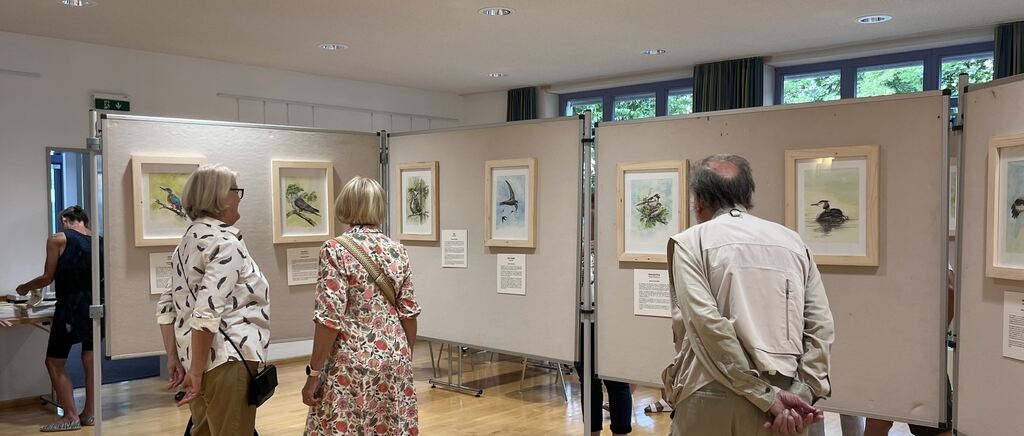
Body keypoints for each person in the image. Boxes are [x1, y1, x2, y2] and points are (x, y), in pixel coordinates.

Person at [663, 154, 834, 435]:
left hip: (712, 393)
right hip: (790, 403)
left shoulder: (690, 243)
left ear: (698, 201)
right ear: (747, 195)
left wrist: (766, 396)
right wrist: (802, 393)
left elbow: (708, 327)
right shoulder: (794, 242)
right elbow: (820, 326)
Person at [156, 164, 270, 436]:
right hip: (226, 359)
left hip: (196, 359)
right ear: (219, 197)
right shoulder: (226, 243)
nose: (239, 197)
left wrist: (176, 358)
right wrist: (195, 373)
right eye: (236, 190)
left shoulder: (186, 242)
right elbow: (207, 313)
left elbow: (166, 306)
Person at [302, 176, 421, 435]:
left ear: (345, 204)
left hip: (351, 360)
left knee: (347, 425)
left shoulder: (335, 250)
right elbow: (409, 314)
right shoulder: (397, 250)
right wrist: (403, 355)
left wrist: (314, 373)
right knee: (389, 426)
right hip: (395, 356)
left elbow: (329, 319)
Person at [15, 205, 96, 432]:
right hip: (96, 305)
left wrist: (24, 288)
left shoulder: (57, 239)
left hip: (70, 306)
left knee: (54, 361)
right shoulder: (98, 240)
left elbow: (47, 277)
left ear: (64, 220)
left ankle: (70, 416)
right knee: (90, 359)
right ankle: (89, 413)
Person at [863, 265, 957, 436]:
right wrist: (935, 338)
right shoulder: (935, 260)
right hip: (923, 356)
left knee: (876, 425)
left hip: (888, 352)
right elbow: (951, 292)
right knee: (936, 428)